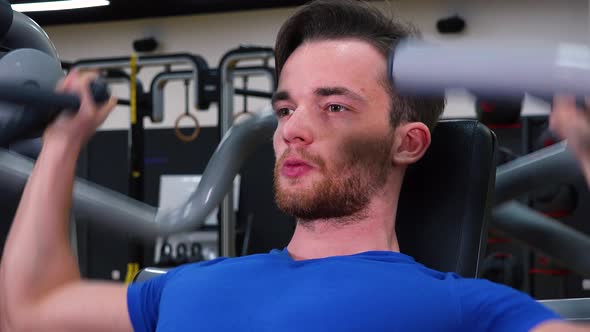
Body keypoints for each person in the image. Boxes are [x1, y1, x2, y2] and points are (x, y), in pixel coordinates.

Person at [1, 0, 590, 331]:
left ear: (407, 142)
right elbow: (30, 310)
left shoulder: (463, 309)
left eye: (334, 106)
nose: (292, 128)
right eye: (285, 107)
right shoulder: (190, 287)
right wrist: (63, 141)